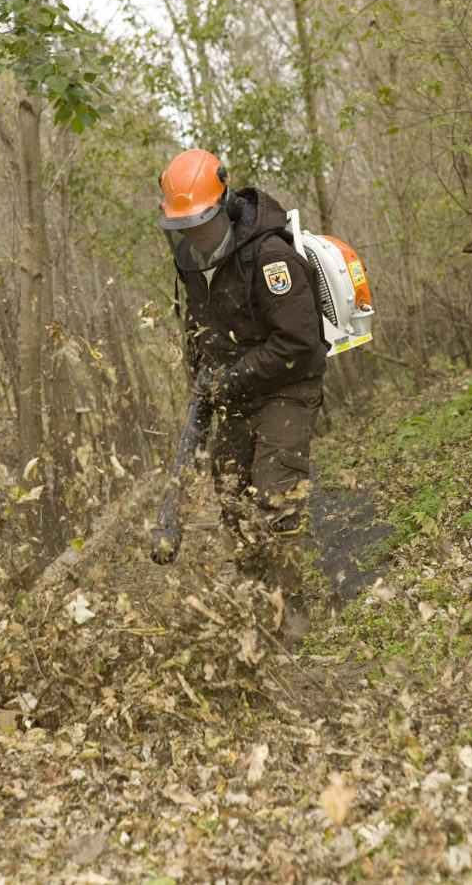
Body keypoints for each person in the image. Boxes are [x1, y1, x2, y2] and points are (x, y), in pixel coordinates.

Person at [157, 148, 328, 642]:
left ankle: (291, 616)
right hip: (234, 388)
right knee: (232, 498)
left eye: (202, 224)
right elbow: (198, 329)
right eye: (184, 226)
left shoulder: (269, 255)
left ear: (226, 205)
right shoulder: (191, 265)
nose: (194, 235)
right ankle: (256, 604)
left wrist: (232, 380)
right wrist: (202, 386)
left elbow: (299, 342)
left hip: (287, 382)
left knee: (275, 491)